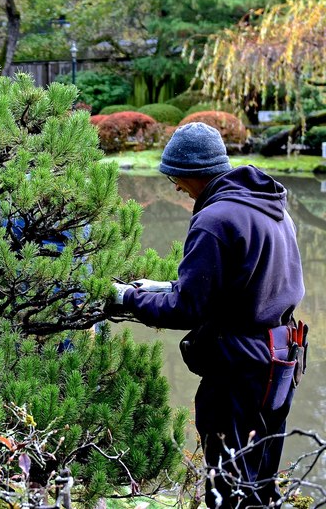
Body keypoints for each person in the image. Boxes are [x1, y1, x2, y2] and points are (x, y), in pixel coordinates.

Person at [109, 122, 305, 508]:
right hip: (280, 360)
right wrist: (162, 286)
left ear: (192, 171)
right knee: (259, 480)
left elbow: (188, 309)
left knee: (228, 487)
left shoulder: (215, 220)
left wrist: (126, 297)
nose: (175, 188)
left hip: (239, 370)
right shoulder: (270, 207)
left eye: (174, 178)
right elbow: (242, 286)